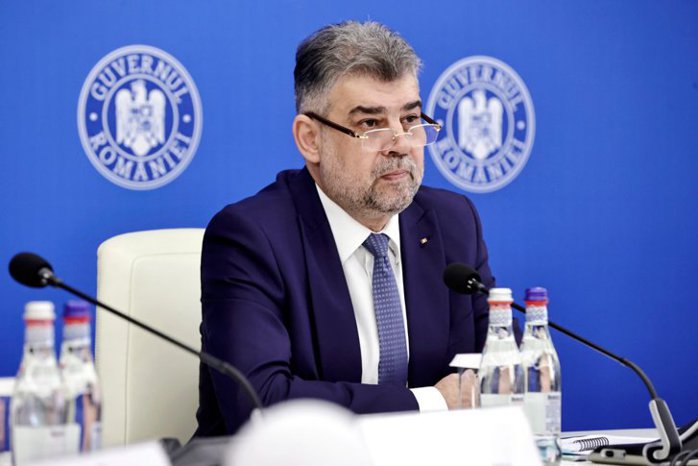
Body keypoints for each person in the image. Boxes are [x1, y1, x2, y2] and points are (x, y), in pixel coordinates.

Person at [196, 20, 496, 436]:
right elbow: (260, 403)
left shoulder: (452, 222)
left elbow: (501, 367)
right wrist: (431, 404)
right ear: (310, 139)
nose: (400, 143)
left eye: (411, 119)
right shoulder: (251, 238)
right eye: (371, 124)